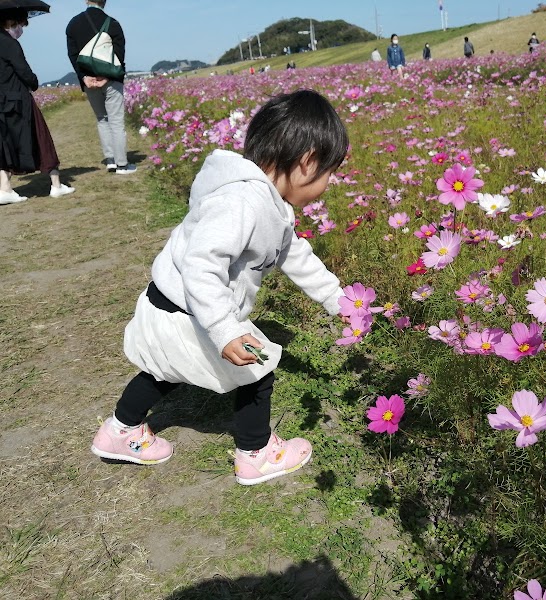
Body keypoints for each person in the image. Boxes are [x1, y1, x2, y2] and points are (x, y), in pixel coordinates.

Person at [90, 90, 349, 486]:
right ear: (307, 162)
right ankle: (256, 453)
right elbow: (201, 264)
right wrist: (227, 330)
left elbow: (293, 254)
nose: (330, 182)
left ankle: (119, 430)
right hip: (190, 309)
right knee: (257, 371)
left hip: (173, 303)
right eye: (330, 171)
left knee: (161, 371)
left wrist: (339, 300)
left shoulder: (267, 202)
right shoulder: (242, 202)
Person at [0, 9, 75, 204]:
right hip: (18, 98)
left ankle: (5, 188)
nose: (20, 29)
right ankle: (56, 185)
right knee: (41, 138)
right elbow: (24, 71)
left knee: (5, 144)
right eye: (19, 25)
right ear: (10, 22)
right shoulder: (10, 44)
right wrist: (34, 82)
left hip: (1, 101)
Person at [66, 0, 136, 174]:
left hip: (89, 80)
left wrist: (84, 78)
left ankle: (110, 160)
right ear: (104, 1)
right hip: (111, 79)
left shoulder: (73, 24)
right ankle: (122, 164)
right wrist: (108, 76)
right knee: (116, 121)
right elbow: (119, 55)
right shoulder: (113, 23)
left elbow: (72, 55)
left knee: (101, 119)